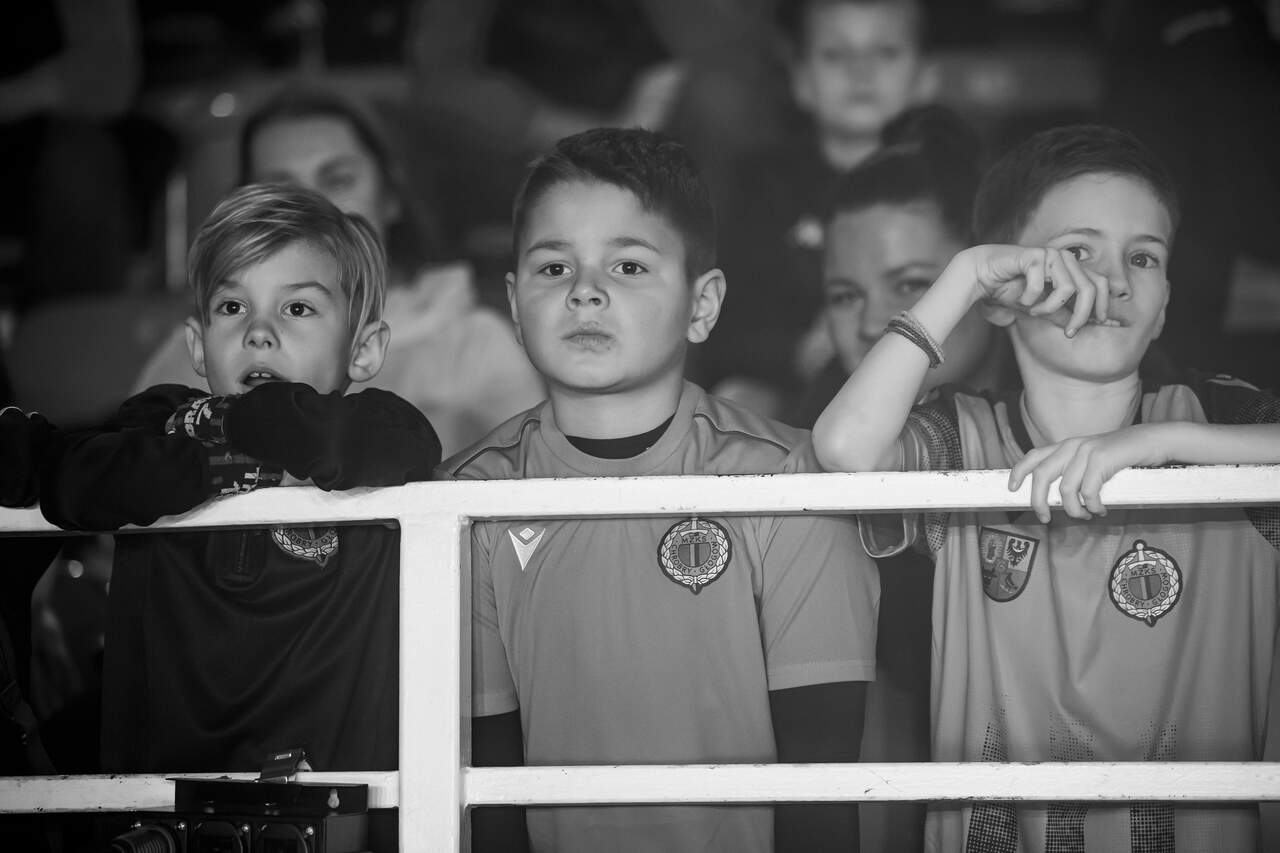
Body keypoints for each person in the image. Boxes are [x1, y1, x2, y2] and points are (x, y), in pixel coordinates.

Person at [813, 124, 1280, 851]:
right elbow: (845, 450)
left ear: (1163, 304)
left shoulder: (1213, 419)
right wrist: (966, 275)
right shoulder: (964, 438)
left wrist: (1158, 443)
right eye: (1077, 252)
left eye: (1143, 257)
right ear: (1006, 293)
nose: (1113, 280)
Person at [437, 127, 879, 852]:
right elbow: (485, 794)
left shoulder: (787, 484)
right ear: (514, 303)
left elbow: (822, 788)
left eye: (629, 265)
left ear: (702, 304)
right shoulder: (466, 499)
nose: (584, 291)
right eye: (554, 267)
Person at [40, 184, 443, 773]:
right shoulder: (160, 422)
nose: (259, 331)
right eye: (232, 308)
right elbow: (80, 476)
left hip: (333, 788)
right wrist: (213, 456)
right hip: (162, 789)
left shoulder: (375, 431)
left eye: (297, 309)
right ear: (197, 345)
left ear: (363, 350)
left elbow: (405, 445)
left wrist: (230, 432)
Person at [800, 103, 1005, 853]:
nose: (871, 325)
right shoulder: (812, 429)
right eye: (844, 295)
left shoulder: (1068, 413)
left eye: (912, 286)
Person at [135, 84, 543, 457]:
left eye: (338, 179)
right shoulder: (193, 355)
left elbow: (537, 493)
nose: (312, 206)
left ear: (390, 195)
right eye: (281, 189)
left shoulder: (475, 346)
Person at [700, 0, 934, 419]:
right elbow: (725, 327)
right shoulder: (762, 183)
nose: (861, 72)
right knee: (736, 401)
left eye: (885, 53)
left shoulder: (946, 183)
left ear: (925, 77)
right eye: (835, 55)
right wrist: (801, 348)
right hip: (794, 390)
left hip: (921, 379)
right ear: (801, 79)